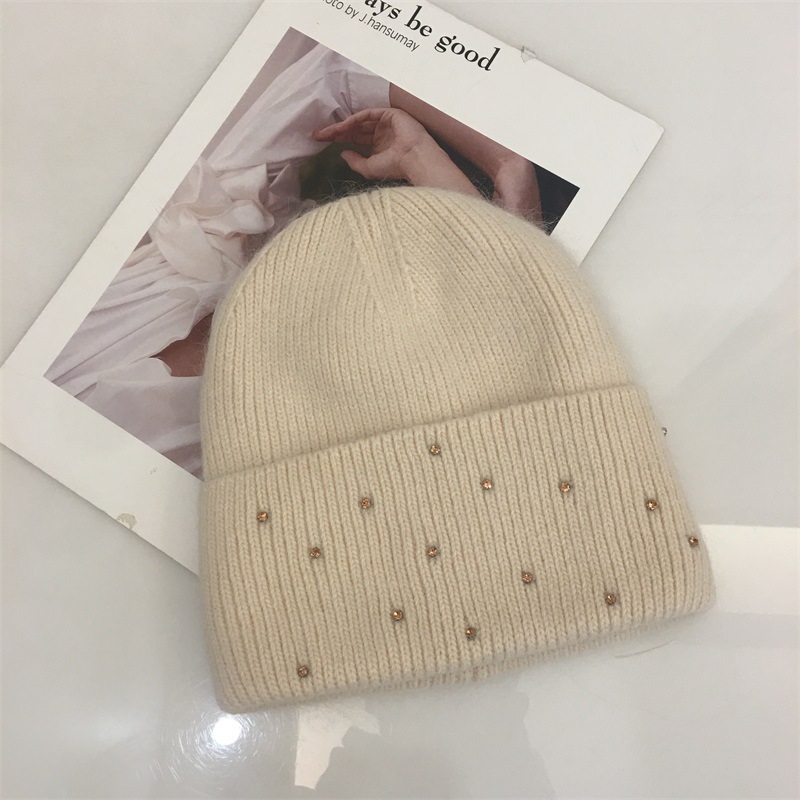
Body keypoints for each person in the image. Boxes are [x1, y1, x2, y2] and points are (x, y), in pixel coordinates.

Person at [45, 34, 541, 478]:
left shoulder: (214, 232)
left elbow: (335, 72)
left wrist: (480, 161)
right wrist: (489, 176)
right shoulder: (290, 440)